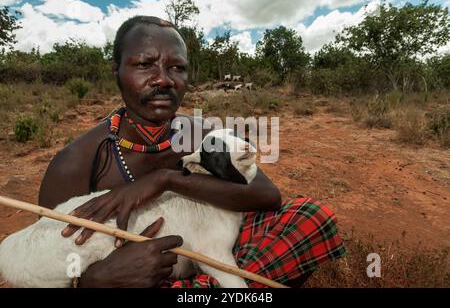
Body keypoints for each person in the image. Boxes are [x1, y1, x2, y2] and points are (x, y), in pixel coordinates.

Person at [38, 16, 346, 288]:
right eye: (145, 64)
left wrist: (166, 180)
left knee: (310, 219)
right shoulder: (76, 162)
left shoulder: (202, 132)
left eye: (177, 68)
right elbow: (42, 257)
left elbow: (267, 195)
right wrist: (93, 280)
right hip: (135, 280)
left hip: (211, 251)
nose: (164, 79)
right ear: (116, 71)